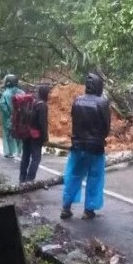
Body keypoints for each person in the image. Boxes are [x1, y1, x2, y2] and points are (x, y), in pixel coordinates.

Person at [61, 73, 111, 220]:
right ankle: (88, 210)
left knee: (73, 176)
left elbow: (74, 121)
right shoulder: (102, 102)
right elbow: (106, 127)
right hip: (95, 147)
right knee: (95, 177)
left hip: (77, 145)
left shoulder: (77, 101)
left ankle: (66, 207)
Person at [19, 84, 50, 183]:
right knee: (36, 158)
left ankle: (22, 178)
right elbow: (43, 123)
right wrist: (45, 137)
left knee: (25, 156)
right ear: (46, 94)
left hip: (26, 133)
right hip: (36, 135)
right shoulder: (42, 105)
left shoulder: (31, 102)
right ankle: (30, 179)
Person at [0, 74, 24, 158]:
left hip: (9, 118)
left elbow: (2, 105)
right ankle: (20, 152)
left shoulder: (6, 94)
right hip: (21, 118)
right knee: (20, 135)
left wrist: (8, 113)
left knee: (9, 134)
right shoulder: (22, 92)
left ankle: (10, 152)